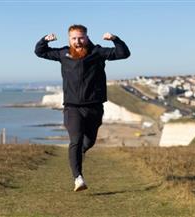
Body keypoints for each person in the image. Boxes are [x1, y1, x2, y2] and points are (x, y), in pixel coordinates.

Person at [35, 24, 130, 191]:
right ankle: (78, 178)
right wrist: (44, 40)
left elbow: (123, 54)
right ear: (69, 39)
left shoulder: (97, 52)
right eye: (74, 38)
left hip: (94, 107)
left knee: (88, 141)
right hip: (72, 107)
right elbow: (40, 52)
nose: (77, 41)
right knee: (76, 140)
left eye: (81, 38)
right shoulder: (63, 53)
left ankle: (80, 154)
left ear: (86, 37)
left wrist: (115, 39)